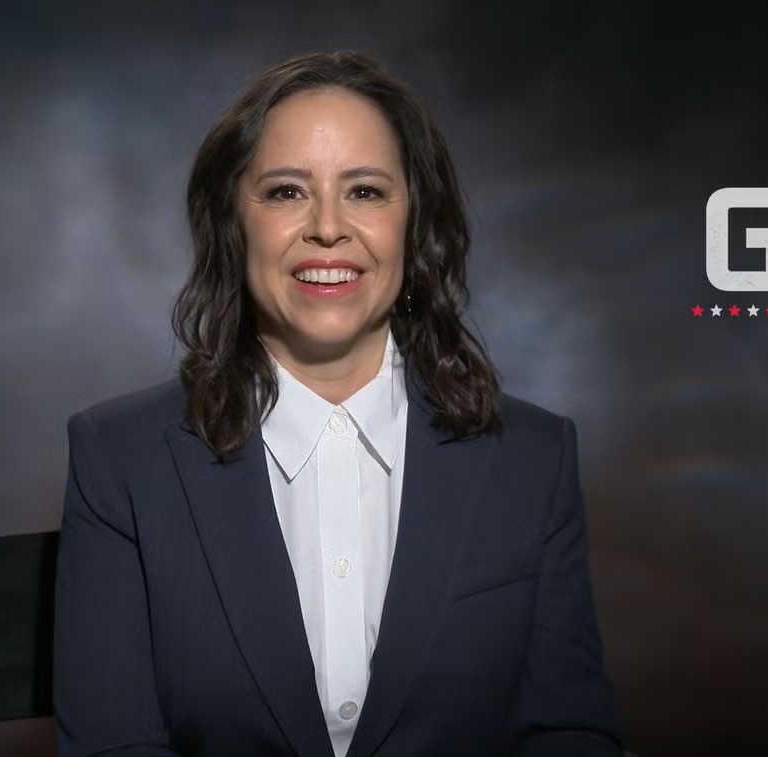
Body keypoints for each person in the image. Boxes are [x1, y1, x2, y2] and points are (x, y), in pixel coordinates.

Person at [53, 50, 626, 757]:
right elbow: (112, 746)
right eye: (286, 191)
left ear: (415, 222)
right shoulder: (121, 460)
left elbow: (568, 731)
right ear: (233, 221)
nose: (328, 227)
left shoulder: (533, 459)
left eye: (365, 191)